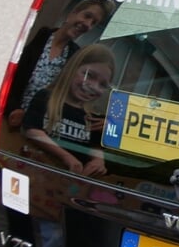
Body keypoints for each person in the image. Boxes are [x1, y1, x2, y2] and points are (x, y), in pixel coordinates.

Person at [6, 0, 109, 130]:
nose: (88, 24)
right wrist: (13, 109)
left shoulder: (74, 56)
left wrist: (106, 121)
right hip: (7, 120)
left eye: (93, 23)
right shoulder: (39, 36)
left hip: (39, 130)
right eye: (87, 16)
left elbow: (76, 98)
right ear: (73, 13)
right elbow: (9, 75)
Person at [24, 43, 116, 178]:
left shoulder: (93, 117)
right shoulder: (46, 98)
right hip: (36, 174)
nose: (94, 86)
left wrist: (98, 161)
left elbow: (95, 147)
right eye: (89, 75)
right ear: (72, 69)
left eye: (103, 84)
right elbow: (32, 130)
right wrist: (66, 157)